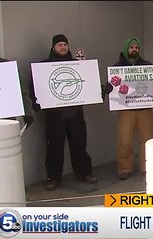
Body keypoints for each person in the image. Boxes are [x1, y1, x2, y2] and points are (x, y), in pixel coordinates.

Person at [29, 34, 98, 191]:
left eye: (65, 44)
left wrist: (99, 90)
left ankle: (84, 173)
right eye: (59, 44)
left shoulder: (78, 65)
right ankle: (53, 178)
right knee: (54, 148)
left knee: (80, 145)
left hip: (75, 114)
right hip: (54, 116)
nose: (62, 47)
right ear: (53, 47)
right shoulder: (43, 66)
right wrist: (35, 102)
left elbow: (89, 85)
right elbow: (34, 87)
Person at [104, 37, 153, 180]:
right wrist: (108, 88)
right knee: (125, 140)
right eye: (131, 47)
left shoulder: (147, 65)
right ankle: (125, 168)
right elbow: (111, 87)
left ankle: (147, 167)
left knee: (147, 140)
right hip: (126, 110)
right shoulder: (117, 68)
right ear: (127, 49)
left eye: (136, 47)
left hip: (145, 109)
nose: (134, 50)